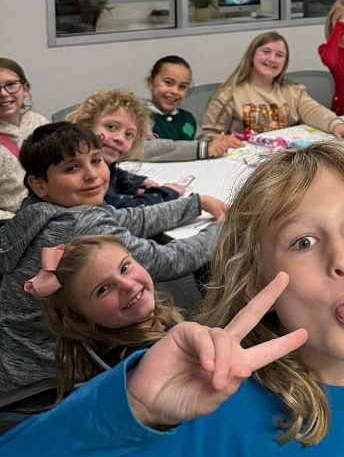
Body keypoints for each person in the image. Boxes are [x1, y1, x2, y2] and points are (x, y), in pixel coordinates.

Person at [0, 143, 344, 457]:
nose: (343, 259)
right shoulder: (212, 411)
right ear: (256, 281)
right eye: (303, 242)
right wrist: (132, 408)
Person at [0, 122, 223, 409]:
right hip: (41, 385)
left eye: (96, 161)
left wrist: (195, 203)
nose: (92, 174)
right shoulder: (79, 223)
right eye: (71, 168)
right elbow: (169, 261)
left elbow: (129, 219)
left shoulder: (38, 211)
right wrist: (223, 229)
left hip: (12, 361)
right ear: (39, 184)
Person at [25, 234, 184, 399]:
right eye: (102, 289)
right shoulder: (149, 363)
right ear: (79, 321)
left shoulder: (109, 342)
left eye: (124, 268)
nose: (127, 286)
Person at [202, 32, 344, 139]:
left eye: (279, 55)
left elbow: (314, 111)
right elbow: (210, 135)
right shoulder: (229, 95)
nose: (272, 59)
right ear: (252, 55)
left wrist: (336, 125)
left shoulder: (294, 91)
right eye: (266, 51)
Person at [68, 90, 185, 208]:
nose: (120, 139)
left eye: (128, 135)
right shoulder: (83, 172)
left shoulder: (102, 164)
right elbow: (123, 209)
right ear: (85, 125)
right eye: (111, 127)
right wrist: (163, 193)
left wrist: (134, 182)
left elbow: (113, 173)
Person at [146, 56, 240, 156]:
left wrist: (215, 141)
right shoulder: (139, 116)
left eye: (182, 87)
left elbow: (203, 143)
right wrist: (201, 149)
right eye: (168, 83)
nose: (175, 91)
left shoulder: (187, 119)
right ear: (150, 83)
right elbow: (145, 148)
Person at [0, 58, 48, 220]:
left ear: (25, 88)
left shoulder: (40, 123)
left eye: (11, 85)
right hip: (13, 222)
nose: (3, 94)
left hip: (53, 211)